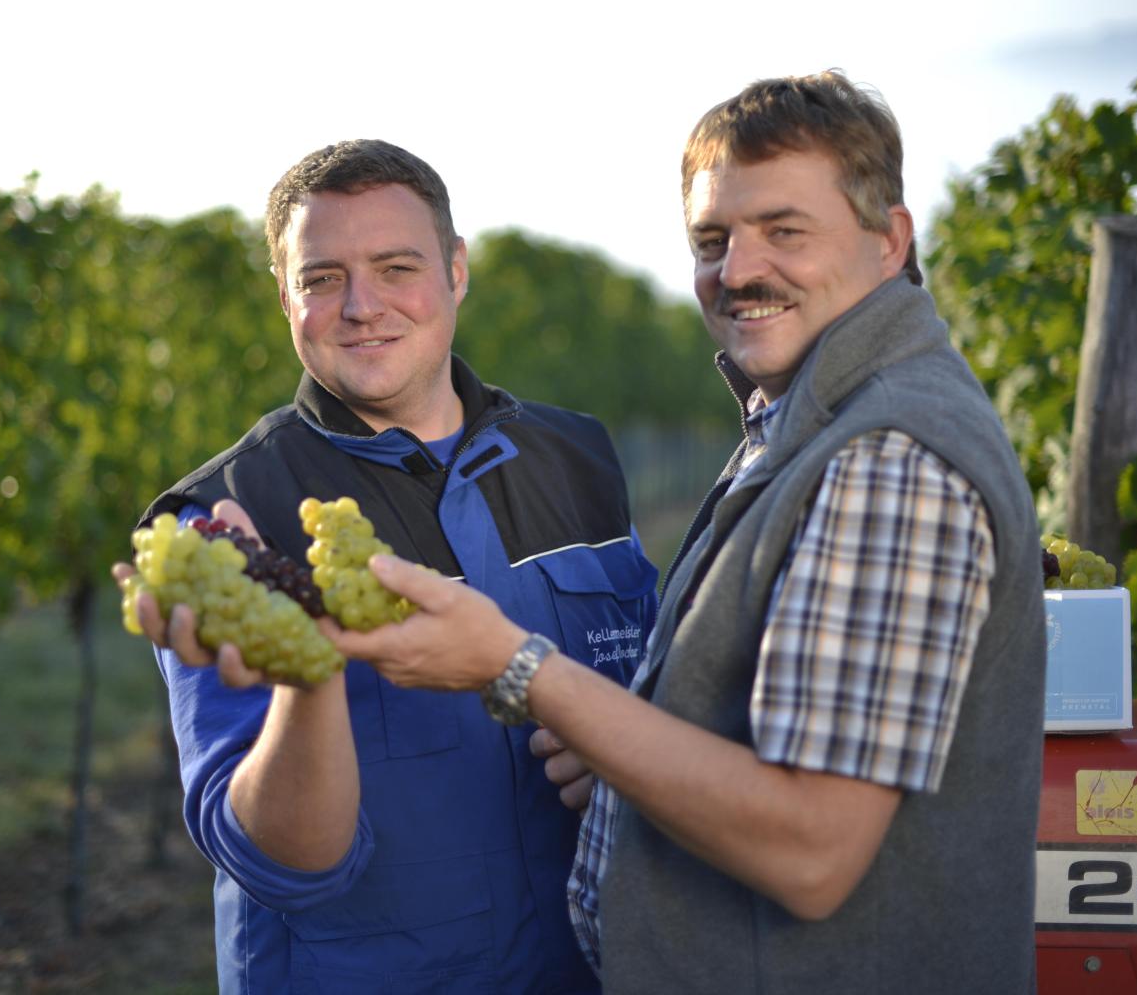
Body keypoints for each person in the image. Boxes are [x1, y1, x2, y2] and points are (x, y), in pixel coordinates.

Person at [331, 72, 1046, 992]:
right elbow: (772, 746)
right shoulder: (809, 420)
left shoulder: (887, 459)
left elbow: (810, 850)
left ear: (889, 240)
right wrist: (632, 768)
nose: (739, 271)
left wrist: (519, 668)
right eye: (712, 240)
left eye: (785, 231)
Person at [119, 139, 658, 993]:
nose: (362, 305)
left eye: (396, 266)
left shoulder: (578, 459)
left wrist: (627, 757)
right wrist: (308, 671)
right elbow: (284, 863)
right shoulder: (225, 525)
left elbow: (656, 695)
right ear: (284, 295)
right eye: (322, 277)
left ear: (456, 269)